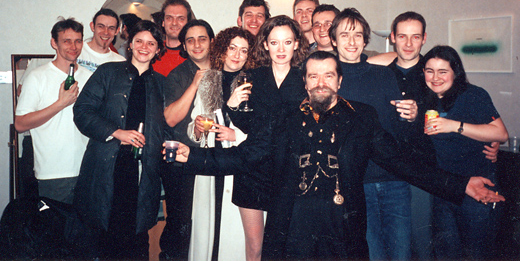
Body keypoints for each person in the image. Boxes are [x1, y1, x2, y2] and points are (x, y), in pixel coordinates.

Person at [173, 51, 504, 260]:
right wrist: (194, 159)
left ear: (339, 80)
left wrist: (460, 185)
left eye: (328, 75)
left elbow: (400, 161)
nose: (320, 82)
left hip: (343, 233)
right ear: (304, 82)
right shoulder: (283, 116)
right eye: (313, 76)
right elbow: (247, 156)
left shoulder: (361, 117)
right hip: (290, 231)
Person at [72, 20, 165, 259]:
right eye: (139, 41)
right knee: (103, 237)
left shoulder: (161, 83)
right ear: (130, 45)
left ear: (157, 49)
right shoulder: (108, 72)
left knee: (136, 240)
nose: (145, 47)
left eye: (151, 43)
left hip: (143, 172)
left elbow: (168, 126)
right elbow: (82, 111)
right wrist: (116, 132)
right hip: (107, 167)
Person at [329, 7, 417, 260]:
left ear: (366, 40)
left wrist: (411, 116)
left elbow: (397, 129)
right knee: (371, 252)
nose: (352, 41)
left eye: (358, 35)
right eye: (344, 35)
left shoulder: (384, 74)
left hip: (394, 179)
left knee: (401, 252)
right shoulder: (330, 79)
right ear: (333, 40)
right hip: (355, 183)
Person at [225, 15, 308, 261]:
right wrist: (231, 106)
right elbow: (247, 123)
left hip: (291, 171)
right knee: (255, 247)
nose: (280, 49)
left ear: (296, 44)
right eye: (274, 43)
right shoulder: (253, 76)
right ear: (265, 45)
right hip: (252, 169)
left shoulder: (306, 77)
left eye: (287, 42)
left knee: (284, 247)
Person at [422, 45, 508, 259]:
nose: (435, 77)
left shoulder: (473, 95)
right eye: (429, 70)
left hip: (478, 186)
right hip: (444, 189)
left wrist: (454, 126)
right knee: (447, 254)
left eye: (443, 71)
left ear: (455, 73)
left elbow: (501, 134)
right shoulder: (424, 99)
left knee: (477, 254)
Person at [183, 26, 255, 260]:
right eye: (232, 48)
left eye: (243, 50)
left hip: (238, 163)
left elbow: (263, 132)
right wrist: (196, 128)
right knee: (207, 231)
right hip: (208, 160)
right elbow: (195, 122)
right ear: (222, 49)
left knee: (231, 235)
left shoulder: (253, 83)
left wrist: (238, 136)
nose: (237, 54)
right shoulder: (208, 79)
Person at [14, 17, 90, 204]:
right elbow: (20, 124)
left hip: (88, 170)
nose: (73, 46)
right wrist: (60, 104)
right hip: (53, 174)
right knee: (55, 231)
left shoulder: (90, 77)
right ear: (54, 43)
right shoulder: (37, 77)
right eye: (67, 41)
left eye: (78, 40)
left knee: (85, 232)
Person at [160, 19, 215, 260]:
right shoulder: (178, 74)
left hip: (215, 157)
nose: (197, 44)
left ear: (211, 41)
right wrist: (194, 84)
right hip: (183, 161)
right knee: (181, 224)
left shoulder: (225, 69)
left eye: (202, 38)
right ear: (184, 44)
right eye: (190, 40)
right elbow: (170, 119)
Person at [152, 0, 193, 76]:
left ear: (188, 23)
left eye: (180, 18)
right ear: (163, 22)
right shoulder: (152, 51)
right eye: (169, 18)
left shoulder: (194, 54)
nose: (174, 23)